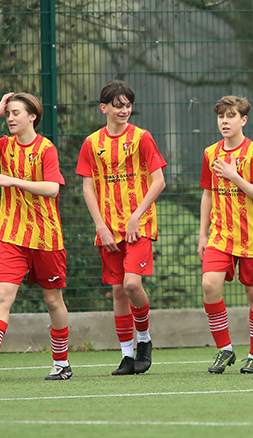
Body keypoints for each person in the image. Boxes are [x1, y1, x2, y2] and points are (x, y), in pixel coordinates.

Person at [0, 92, 73, 381]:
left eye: (15, 113)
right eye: (8, 114)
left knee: (53, 301)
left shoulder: (46, 148)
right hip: (12, 234)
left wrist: (13, 181)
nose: (11, 118)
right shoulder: (5, 145)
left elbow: (52, 188)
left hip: (46, 236)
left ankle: (61, 363)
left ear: (32, 117)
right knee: (2, 295)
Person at [76, 80, 166, 375]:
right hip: (108, 229)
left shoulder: (142, 138)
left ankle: (144, 341)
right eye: (118, 106)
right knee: (117, 292)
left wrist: (137, 215)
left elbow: (159, 181)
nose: (124, 110)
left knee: (131, 284)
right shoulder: (91, 143)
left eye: (128, 105)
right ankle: (127, 356)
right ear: (104, 108)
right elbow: (88, 188)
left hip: (138, 226)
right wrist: (100, 225)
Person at [198, 96, 253, 374]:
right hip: (220, 236)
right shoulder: (210, 153)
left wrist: (234, 176)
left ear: (243, 120)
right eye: (221, 116)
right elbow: (207, 194)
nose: (225, 121)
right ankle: (225, 350)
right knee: (209, 286)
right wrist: (202, 235)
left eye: (231, 116)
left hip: (252, 236)